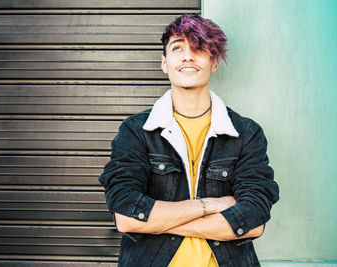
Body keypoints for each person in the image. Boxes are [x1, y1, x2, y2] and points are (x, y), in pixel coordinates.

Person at [99, 14, 279, 267]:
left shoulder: (246, 134)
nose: (188, 56)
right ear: (164, 63)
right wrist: (208, 205)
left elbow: (253, 220)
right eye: (177, 48)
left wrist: (160, 221)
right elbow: (126, 215)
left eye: (198, 48)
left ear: (213, 62)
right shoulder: (137, 131)